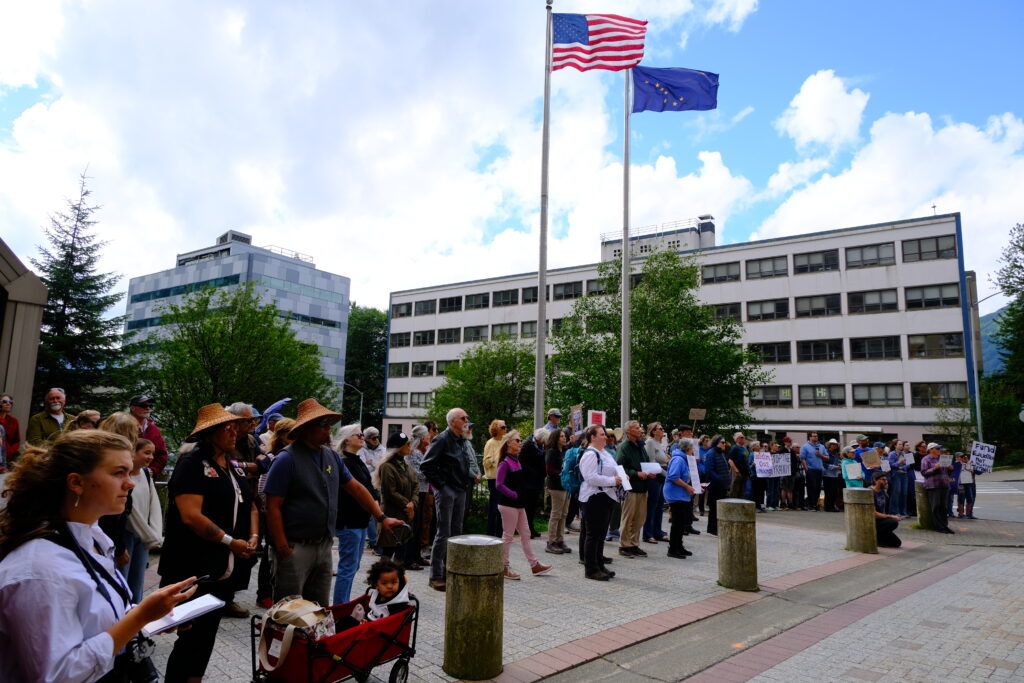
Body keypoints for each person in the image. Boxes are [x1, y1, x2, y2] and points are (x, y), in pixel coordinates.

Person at [0, 430, 198, 682]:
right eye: (118, 473)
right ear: (76, 483)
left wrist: (150, 617)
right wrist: (139, 617)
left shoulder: (90, 537)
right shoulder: (41, 570)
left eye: (129, 472)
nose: (130, 483)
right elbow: (57, 675)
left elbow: (91, 619)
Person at [264, 399, 399, 608]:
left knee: (318, 608)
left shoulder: (331, 457)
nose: (329, 428)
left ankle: (313, 642)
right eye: (324, 423)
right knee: (288, 611)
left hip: (324, 545)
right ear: (307, 428)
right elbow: (272, 506)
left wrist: (381, 517)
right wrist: (282, 546)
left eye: (329, 423)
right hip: (295, 547)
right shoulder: (286, 460)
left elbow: (355, 488)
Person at [158, 403, 258, 681]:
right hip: (192, 567)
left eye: (236, 427)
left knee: (206, 638)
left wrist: (252, 537)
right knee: (190, 639)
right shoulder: (192, 464)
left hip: (221, 570)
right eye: (228, 427)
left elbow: (250, 505)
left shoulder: (232, 466)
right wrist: (229, 541)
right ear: (210, 432)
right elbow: (191, 516)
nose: (234, 432)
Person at [420, 407, 475, 592]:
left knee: (457, 532)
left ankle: (451, 570)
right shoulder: (442, 439)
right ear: (452, 422)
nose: (467, 420)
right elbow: (426, 466)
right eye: (463, 417)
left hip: (460, 489)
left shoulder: (461, 440)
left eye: (466, 417)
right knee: (443, 533)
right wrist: (442, 486)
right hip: (447, 490)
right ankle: (436, 575)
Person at [495, 430, 553, 580]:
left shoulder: (516, 460)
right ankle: (504, 567)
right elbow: (499, 484)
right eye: (517, 440)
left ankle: (534, 565)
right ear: (508, 443)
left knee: (526, 534)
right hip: (508, 505)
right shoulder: (504, 462)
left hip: (519, 505)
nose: (520, 443)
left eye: (520, 440)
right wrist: (513, 494)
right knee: (507, 536)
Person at [332, 423, 379, 604]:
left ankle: (343, 603)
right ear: (346, 440)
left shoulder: (356, 459)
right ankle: (339, 607)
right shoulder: (344, 462)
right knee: (347, 568)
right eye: (358, 435)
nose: (362, 437)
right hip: (349, 521)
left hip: (360, 521)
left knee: (353, 566)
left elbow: (368, 486)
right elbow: (357, 490)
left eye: (362, 435)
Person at [578, 425, 622, 581]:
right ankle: (591, 569)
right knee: (593, 534)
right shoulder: (590, 454)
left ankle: (599, 564)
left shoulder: (604, 452)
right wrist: (613, 480)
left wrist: (621, 477)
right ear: (592, 437)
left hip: (606, 496)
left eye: (605, 434)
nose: (606, 437)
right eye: (602, 434)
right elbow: (590, 477)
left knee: (601, 534)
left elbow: (614, 469)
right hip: (594, 497)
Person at [123, 438, 163, 604]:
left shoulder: (146, 474)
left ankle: (135, 620)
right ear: (134, 452)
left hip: (143, 535)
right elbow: (130, 509)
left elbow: (154, 504)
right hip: (126, 533)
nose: (151, 457)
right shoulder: (125, 475)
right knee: (122, 578)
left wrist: (154, 533)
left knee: (137, 579)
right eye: (146, 452)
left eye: (152, 453)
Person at [374, 432, 420, 569]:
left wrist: (413, 503)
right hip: (392, 514)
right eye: (407, 444)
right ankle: (378, 583)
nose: (410, 446)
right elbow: (390, 492)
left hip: (406, 515)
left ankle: (399, 587)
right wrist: (408, 505)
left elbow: (416, 485)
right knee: (388, 553)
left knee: (401, 553)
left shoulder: (405, 465)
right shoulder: (387, 467)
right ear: (398, 448)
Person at [336, 558, 411, 631]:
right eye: (384, 583)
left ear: (399, 582)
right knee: (346, 620)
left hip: (376, 632)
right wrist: (365, 619)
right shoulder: (376, 595)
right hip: (368, 623)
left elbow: (392, 625)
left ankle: (331, 638)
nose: (389, 586)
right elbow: (373, 612)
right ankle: (331, 635)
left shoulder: (398, 604)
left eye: (394, 582)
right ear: (376, 585)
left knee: (347, 621)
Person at [616, 420, 653, 558]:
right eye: (637, 428)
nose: (640, 430)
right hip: (630, 488)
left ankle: (634, 544)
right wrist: (636, 473)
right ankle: (624, 545)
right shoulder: (623, 447)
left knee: (639, 518)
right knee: (628, 518)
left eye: (640, 427)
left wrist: (650, 471)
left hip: (642, 487)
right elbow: (619, 467)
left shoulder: (641, 446)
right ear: (629, 431)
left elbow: (646, 462)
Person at [664, 438, 696, 559]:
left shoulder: (683, 459)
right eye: (692, 448)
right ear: (688, 449)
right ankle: (673, 549)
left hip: (681, 494)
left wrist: (694, 488)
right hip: (675, 495)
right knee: (677, 522)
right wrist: (687, 486)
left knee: (682, 522)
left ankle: (679, 546)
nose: (693, 451)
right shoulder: (678, 459)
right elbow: (673, 476)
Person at [406, 425, 433, 563]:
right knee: (415, 525)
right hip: (417, 492)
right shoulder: (413, 453)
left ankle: (416, 555)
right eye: (427, 436)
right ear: (422, 438)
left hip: (423, 490)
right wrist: (432, 474)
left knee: (420, 524)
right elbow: (417, 473)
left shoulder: (420, 452)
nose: (429, 438)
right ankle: (411, 557)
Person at [128, 395, 170, 478]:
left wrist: (153, 471)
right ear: (132, 408)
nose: (148, 408)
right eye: (143, 406)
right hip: (126, 475)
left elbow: (162, 454)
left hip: (147, 478)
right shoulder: (123, 427)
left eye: (150, 406)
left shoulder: (155, 429)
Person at [359, 427, 386, 552]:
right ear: (367, 439)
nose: (377, 440)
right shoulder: (361, 448)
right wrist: (373, 465)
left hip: (379, 484)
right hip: (367, 484)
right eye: (373, 438)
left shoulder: (382, 449)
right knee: (370, 513)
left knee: (380, 513)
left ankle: (379, 540)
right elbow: (363, 466)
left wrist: (372, 464)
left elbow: (383, 466)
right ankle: (374, 542)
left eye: (378, 437)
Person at [545, 427, 571, 554]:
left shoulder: (565, 451)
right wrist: (562, 473)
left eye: (564, 436)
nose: (564, 438)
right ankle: (551, 542)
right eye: (561, 436)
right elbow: (549, 469)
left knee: (564, 514)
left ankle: (560, 540)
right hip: (556, 486)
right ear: (555, 438)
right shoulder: (552, 452)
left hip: (565, 486)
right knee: (556, 514)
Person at [518, 429, 548, 539]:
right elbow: (521, 461)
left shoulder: (541, 446)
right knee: (527, 507)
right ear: (539, 438)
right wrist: (534, 472)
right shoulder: (527, 444)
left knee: (532, 507)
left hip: (537, 481)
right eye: (544, 441)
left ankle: (531, 527)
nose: (545, 443)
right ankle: (526, 529)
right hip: (528, 481)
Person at [642, 422, 669, 543]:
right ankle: (648, 533)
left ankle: (657, 531)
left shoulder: (659, 443)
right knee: (652, 506)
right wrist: (666, 474)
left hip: (661, 476)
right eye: (660, 428)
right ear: (653, 431)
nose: (663, 430)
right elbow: (652, 461)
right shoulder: (650, 442)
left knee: (659, 506)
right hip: (654, 476)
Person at [483, 419, 507, 538]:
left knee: (503, 508)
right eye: (503, 427)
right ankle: (490, 534)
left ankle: (500, 534)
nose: (505, 429)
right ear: (496, 429)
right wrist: (495, 458)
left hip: (505, 478)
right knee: (494, 507)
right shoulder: (490, 443)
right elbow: (486, 463)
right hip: (494, 478)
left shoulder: (505, 441)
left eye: (505, 427)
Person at [704, 435, 732, 535]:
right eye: (722, 442)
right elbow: (709, 470)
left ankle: (717, 527)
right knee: (714, 508)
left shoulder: (721, 453)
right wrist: (719, 479)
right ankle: (712, 529)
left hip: (722, 485)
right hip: (716, 485)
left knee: (719, 508)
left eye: (725, 442)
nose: (724, 444)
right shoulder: (711, 453)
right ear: (716, 443)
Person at [870, 472, 902, 547]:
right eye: (883, 480)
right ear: (875, 481)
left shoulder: (883, 493)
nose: (886, 482)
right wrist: (891, 516)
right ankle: (876, 537)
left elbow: (884, 510)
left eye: (886, 480)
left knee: (897, 543)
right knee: (893, 522)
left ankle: (880, 538)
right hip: (872, 521)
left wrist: (892, 516)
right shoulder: (870, 492)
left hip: (880, 520)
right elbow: (873, 514)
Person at [800, 433, 826, 511]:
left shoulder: (821, 446)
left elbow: (826, 457)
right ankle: (810, 505)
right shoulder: (805, 446)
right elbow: (802, 458)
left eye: (817, 436)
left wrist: (820, 455)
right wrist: (806, 468)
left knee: (818, 488)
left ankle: (815, 504)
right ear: (810, 437)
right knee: (812, 487)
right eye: (814, 436)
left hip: (819, 469)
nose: (816, 437)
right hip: (811, 469)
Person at [887, 440, 909, 517]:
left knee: (904, 493)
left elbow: (908, 464)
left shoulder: (905, 454)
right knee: (896, 493)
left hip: (904, 474)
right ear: (895, 445)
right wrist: (899, 464)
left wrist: (902, 467)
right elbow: (890, 464)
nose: (901, 446)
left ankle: (903, 512)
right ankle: (894, 512)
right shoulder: (891, 454)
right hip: (895, 475)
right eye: (899, 444)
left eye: (902, 444)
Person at [727, 432, 750, 499]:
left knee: (742, 490)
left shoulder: (745, 448)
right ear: (737, 439)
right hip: (738, 472)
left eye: (744, 437)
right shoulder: (734, 448)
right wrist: (736, 470)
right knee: (735, 490)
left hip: (745, 472)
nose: (744, 438)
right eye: (741, 437)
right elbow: (730, 460)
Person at [0, 393, 21, 464]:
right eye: (5, 402)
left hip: (8, 458)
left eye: (10, 402)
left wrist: (11, 451)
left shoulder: (14, 421)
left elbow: (17, 441)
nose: (8, 404)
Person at [822, 438, 842, 512]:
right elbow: (824, 464)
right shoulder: (826, 453)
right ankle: (828, 507)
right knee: (828, 492)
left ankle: (832, 506)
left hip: (835, 475)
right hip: (827, 475)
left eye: (836, 445)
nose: (835, 446)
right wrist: (834, 467)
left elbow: (838, 462)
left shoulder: (836, 454)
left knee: (834, 492)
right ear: (830, 445)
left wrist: (839, 466)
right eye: (833, 445)